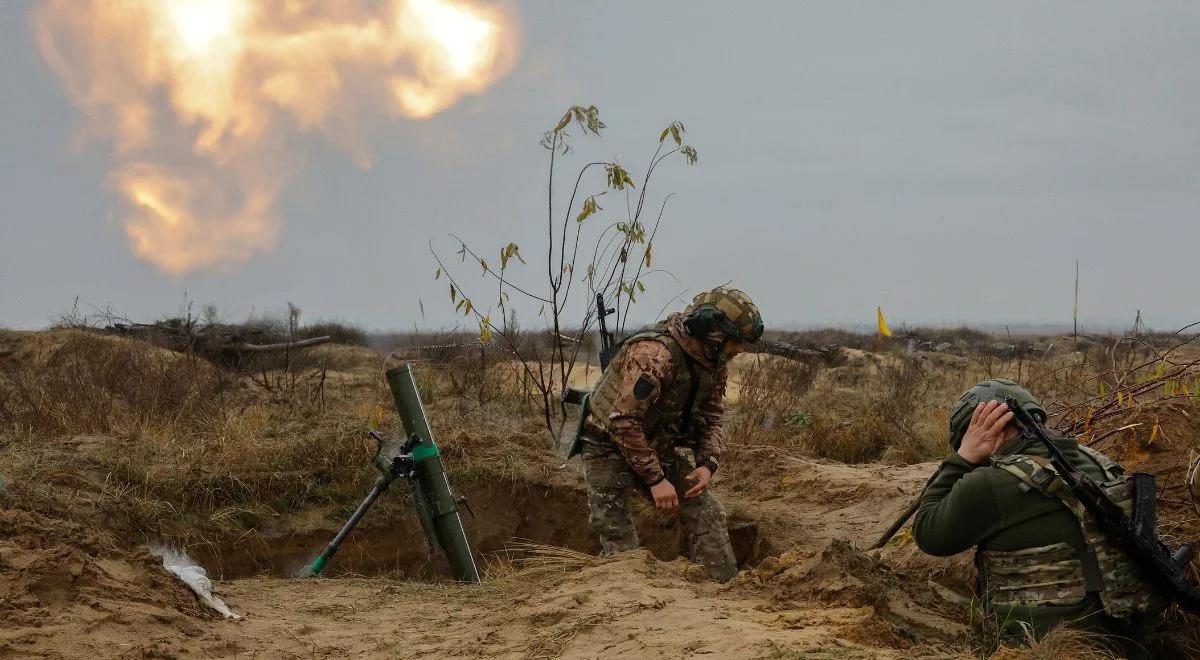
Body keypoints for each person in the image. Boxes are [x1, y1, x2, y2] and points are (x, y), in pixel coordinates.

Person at [913, 378, 1163, 654]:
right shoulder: (1098, 462)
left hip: (1046, 648)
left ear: (981, 430)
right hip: (1126, 640)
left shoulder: (990, 485)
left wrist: (963, 458)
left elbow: (928, 532)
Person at [578, 286, 763, 581]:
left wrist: (707, 462)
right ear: (713, 331)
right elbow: (623, 421)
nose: (739, 350)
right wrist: (656, 479)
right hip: (606, 445)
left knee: (708, 512)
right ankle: (628, 608)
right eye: (736, 341)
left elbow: (711, 414)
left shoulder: (712, 361)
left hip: (655, 444)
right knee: (618, 539)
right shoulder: (654, 356)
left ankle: (725, 594)